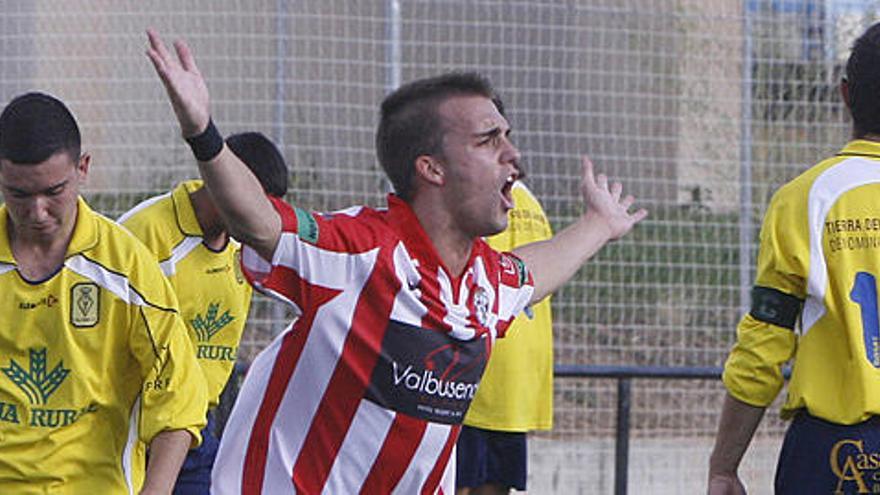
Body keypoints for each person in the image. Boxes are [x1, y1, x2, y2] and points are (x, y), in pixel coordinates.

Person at [145, 28, 646, 494]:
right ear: (431, 168)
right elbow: (260, 222)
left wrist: (598, 224)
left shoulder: (480, 284)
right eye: (488, 139)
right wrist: (204, 133)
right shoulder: (359, 250)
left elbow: (533, 272)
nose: (513, 155)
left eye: (507, 137)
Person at [0, 91, 208, 494]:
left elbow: (180, 394)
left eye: (53, 192)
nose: (37, 211)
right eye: (19, 194)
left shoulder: (126, 267)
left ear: (83, 168)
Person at [708, 22, 880, 494]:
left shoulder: (804, 199)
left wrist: (724, 467)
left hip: (834, 454)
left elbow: (763, 345)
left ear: (845, 95)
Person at [118, 131, 289, 494]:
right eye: (256, 202)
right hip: (137, 432)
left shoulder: (249, 244)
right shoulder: (144, 234)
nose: (262, 217)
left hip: (198, 430)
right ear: (221, 179)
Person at [456, 178, 554, 495]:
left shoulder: (471, 198)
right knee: (495, 483)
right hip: (522, 371)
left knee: (454, 481)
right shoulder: (533, 206)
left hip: (478, 367)